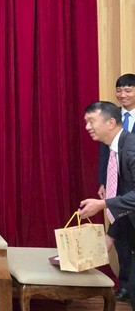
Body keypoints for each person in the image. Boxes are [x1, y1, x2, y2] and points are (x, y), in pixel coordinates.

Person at [79, 101, 135, 311]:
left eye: (91, 121)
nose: (87, 127)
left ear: (111, 122)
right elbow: (125, 198)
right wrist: (111, 235)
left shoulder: (131, 148)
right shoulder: (117, 149)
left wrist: (102, 204)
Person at [97, 74, 135, 301]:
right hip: (116, 184)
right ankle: (125, 286)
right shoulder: (113, 118)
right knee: (120, 234)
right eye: (119, 90)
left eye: (128, 90)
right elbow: (105, 153)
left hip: (132, 183)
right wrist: (103, 181)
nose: (123, 95)